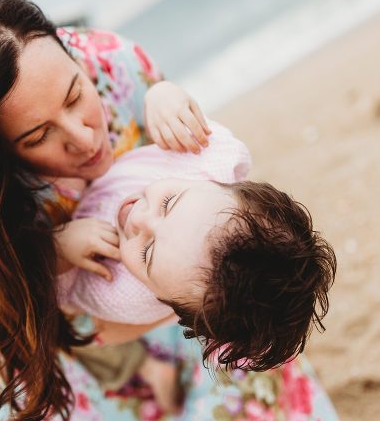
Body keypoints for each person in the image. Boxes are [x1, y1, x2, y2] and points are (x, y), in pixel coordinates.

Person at [0, 0, 380, 421]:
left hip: (174, 278)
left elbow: (208, 179)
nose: (82, 137)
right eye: (37, 138)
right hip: (62, 321)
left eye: (77, 96)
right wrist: (55, 249)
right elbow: (35, 304)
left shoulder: (114, 62)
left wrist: (164, 96)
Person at [58, 121, 336, 374]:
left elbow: (59, 294)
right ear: (221, 182)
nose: (139, 218)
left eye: (147, 252)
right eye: (168, 203)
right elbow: (212, 136)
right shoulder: (206, 166)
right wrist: (164, 97)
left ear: (163, 298)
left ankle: (148, 369)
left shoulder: (122, 294)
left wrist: (61, 248)